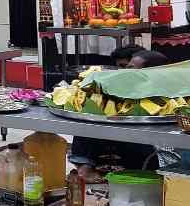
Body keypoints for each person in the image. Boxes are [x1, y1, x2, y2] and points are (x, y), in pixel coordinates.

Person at [69, 49, 170, 183]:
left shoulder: (163, 96)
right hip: (126, 140)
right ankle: (85, 167)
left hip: (151, 150)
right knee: (88, 120)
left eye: (129, 68)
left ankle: (135, 172)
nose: (121, 72)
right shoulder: (120, 91)